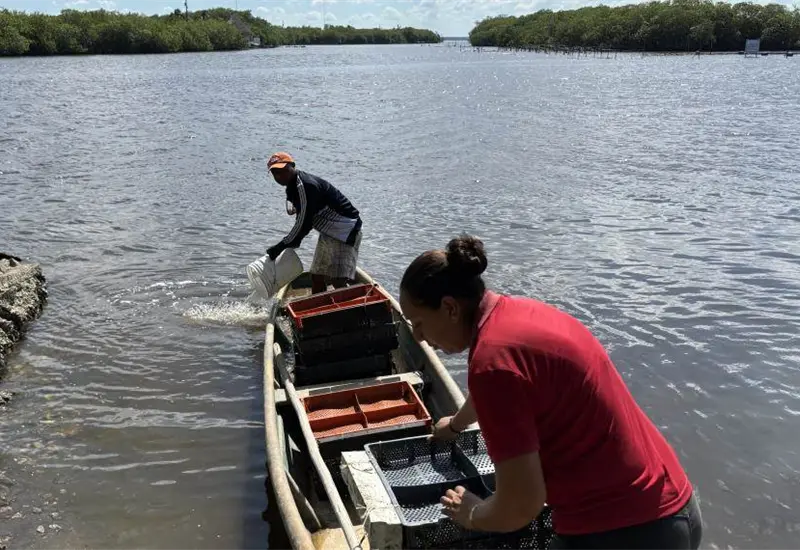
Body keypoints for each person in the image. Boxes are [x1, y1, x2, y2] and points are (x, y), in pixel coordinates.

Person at [399, 235, 703, 550]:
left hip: (623, 531)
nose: (418, 337)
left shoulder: (492, 364)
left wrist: (472, 512)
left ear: (449, 308)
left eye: (418, 323)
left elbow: (520, 506)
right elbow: (504, 387)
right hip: (674, 506)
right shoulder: (515, 317)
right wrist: (457, 424)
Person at [265, 152, 362, 294]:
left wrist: (283, 245)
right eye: (275, 173)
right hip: (329, 231)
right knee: (317, 276)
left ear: (292, 166)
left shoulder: (306, 186)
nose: (279, 175)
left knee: (337, 280)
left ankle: (353, 312)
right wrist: (289, 242)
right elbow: (302, 219)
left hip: (345, 230)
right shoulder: (292, 188)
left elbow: (304, 222)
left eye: (283, 170)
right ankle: (319, 307)